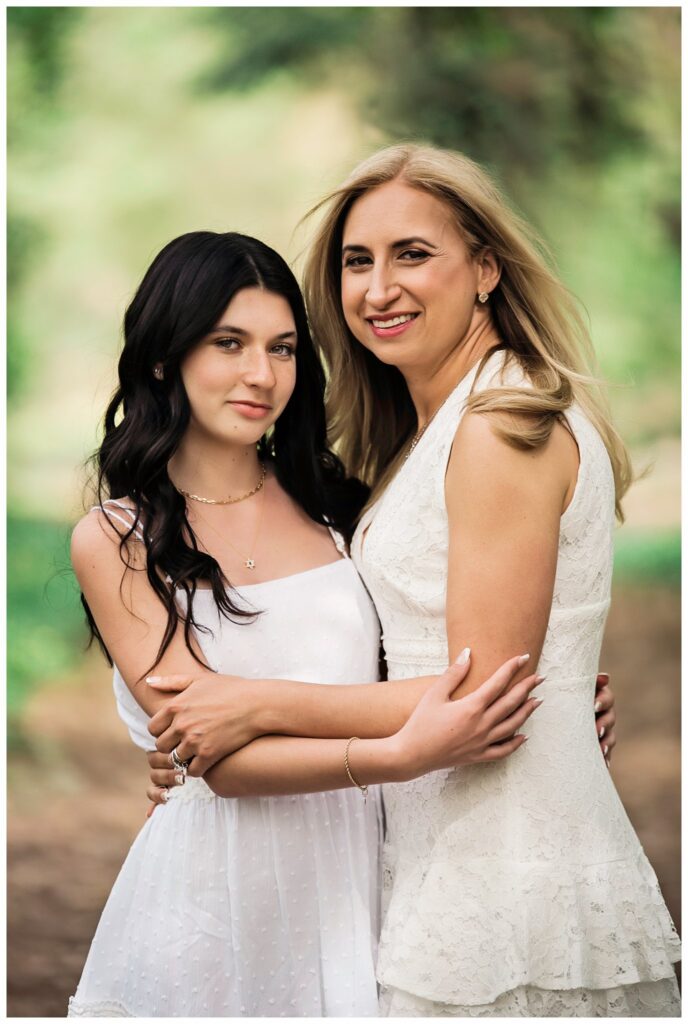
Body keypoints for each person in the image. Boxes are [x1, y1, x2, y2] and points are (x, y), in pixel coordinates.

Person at [146, 146, 679, 1016]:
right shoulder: (433, 429)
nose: (378, 288)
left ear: (485, 270)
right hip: (446, 859)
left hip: (508, 876)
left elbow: (483, 698)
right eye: (359, 261)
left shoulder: (503, 424)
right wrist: (214, 747)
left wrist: (250, 706)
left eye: (412, 254)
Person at [68, 230, 547, 1018]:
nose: (263, 375)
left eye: (284, 348)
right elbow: (214, 756)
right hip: (208, 896)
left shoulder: (344, 512)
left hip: (362, 877)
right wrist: (400, 753)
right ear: (164, 357)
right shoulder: (116, 540)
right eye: (229, 343)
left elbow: (440, 659)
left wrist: (551, 696)